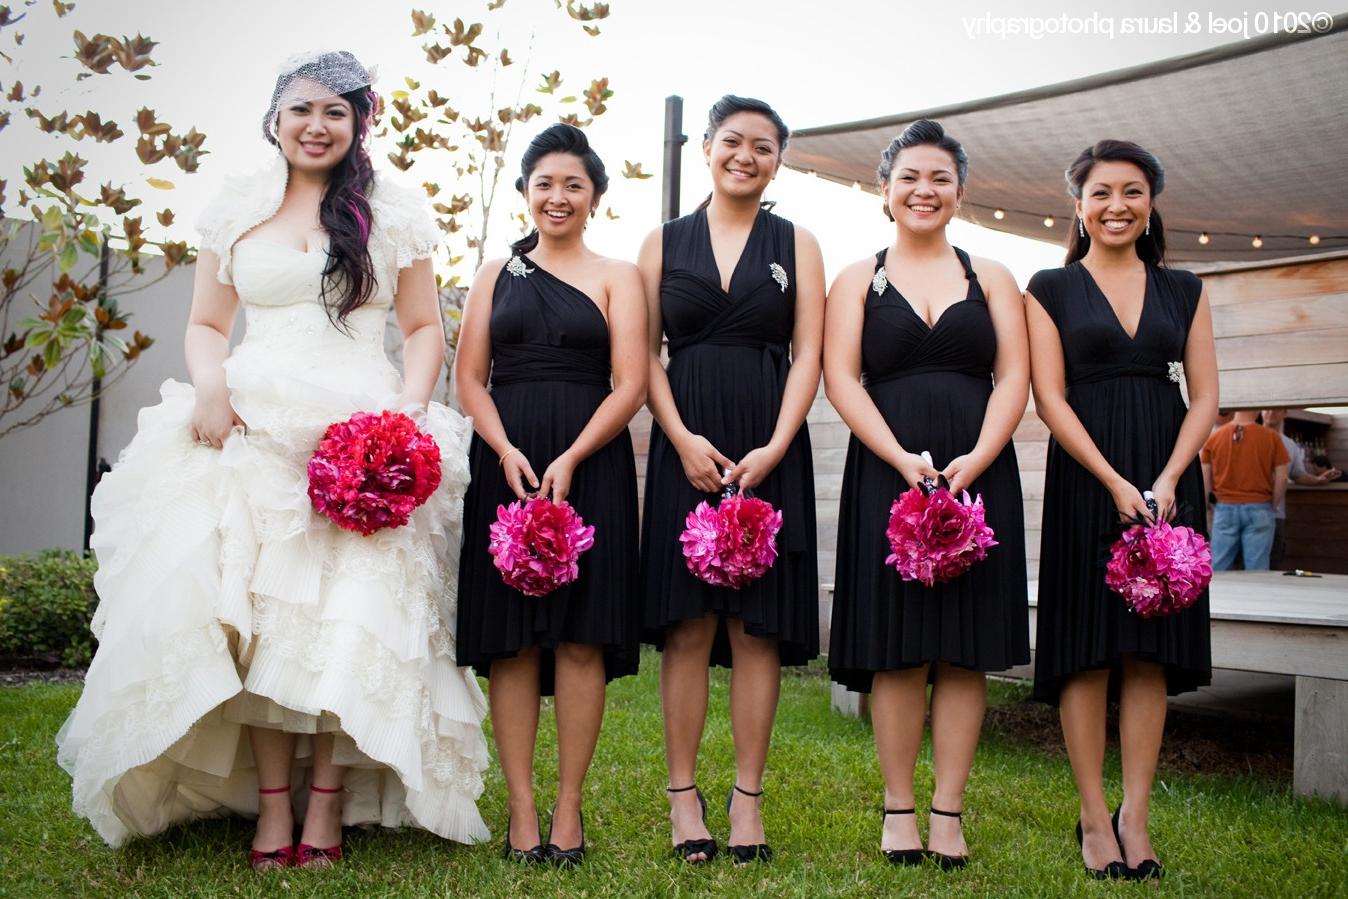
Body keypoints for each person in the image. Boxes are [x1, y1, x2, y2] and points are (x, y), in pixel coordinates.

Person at [55, 51, 490, 869]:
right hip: (251, 427)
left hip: (359, 431)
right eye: (301, 110)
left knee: (342, 617)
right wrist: (211, 387)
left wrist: (404, 417)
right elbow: (207, 324)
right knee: (257, 616)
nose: (316, 126)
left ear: (362, 120)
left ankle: (325, 803)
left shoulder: (393, 212)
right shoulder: (237, 207)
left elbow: (426, 329)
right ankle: (270, 805)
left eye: (335, 111)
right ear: (275, 118)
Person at [823, 120, 1029, 869]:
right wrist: (899, 457)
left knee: (964, 653)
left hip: (979, 474)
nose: (924, 189)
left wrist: (978, 457)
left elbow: (1014, 375)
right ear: (885, 191)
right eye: (909, 176)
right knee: (900, 650)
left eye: (939, 177)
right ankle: (898, 808)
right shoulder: (854, 278)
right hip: (888, 470)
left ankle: (949, 811)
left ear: (959, 191)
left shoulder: (994, 275)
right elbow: (841, 377)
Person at [638, 95, 824, 865]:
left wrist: (777, 446)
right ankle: (684, 796)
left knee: (756, 628)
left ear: (779, 158)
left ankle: (747, 798)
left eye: (765, 146)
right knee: (688, 626)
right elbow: (643, 353)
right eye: (733, 141)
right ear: (708, 147)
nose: (747, 155)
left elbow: (809, 352)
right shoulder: (662, 242)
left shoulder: (798, 242)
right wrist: (679, 439)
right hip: (689, 440)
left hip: (768, 441)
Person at [1025, 140, 1218, 881]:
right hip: (1087, 475)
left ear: (1151, 203)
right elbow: (1050, 397)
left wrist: (1170, 476)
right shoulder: (1049, 286)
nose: (1117, 206)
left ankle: (1136, 813)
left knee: (1149, 651)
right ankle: (1092, 811)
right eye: (1101, 192)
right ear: (1078, 206)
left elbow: (1204, 394)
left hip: (1167, 476)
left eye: (1132, 191)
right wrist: (1111, 480)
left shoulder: (1184, 288)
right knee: (1087, 648)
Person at [454, 124, 646, 867]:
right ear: (526, 192)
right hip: (508, 456)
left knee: (578, 634)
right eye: (544, 183)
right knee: (510, 639)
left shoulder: (617, 275)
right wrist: (504, 447)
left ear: (594, 197)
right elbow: (471, 376)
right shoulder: (495, 272)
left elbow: (630, 382)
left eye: (573, 184)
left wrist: (571, 455)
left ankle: (568, 805)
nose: (557, 196)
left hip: (588, 459)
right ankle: (522, 808)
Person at [1200, 411, 1288, 570]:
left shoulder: (1214, 437)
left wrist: (1206, 504)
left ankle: (1220, 595)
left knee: (1219, 565)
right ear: (1257, 409)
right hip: (1260, 507)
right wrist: (1274, 504)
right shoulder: (1272, 437)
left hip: (1224, 507)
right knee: (1257, 568)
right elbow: (1282, 476)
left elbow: (1205, 477)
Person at [1260, 409, 1337, 568]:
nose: (1270, 413)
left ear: (1284, 413)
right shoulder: (1247, 435)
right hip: (1244, 507)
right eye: (1266, 409)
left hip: (1276, 513)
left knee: (1273, 562)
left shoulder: (1289, 444)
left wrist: (1319, 479)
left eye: (1275, 410)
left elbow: (1297, 474)